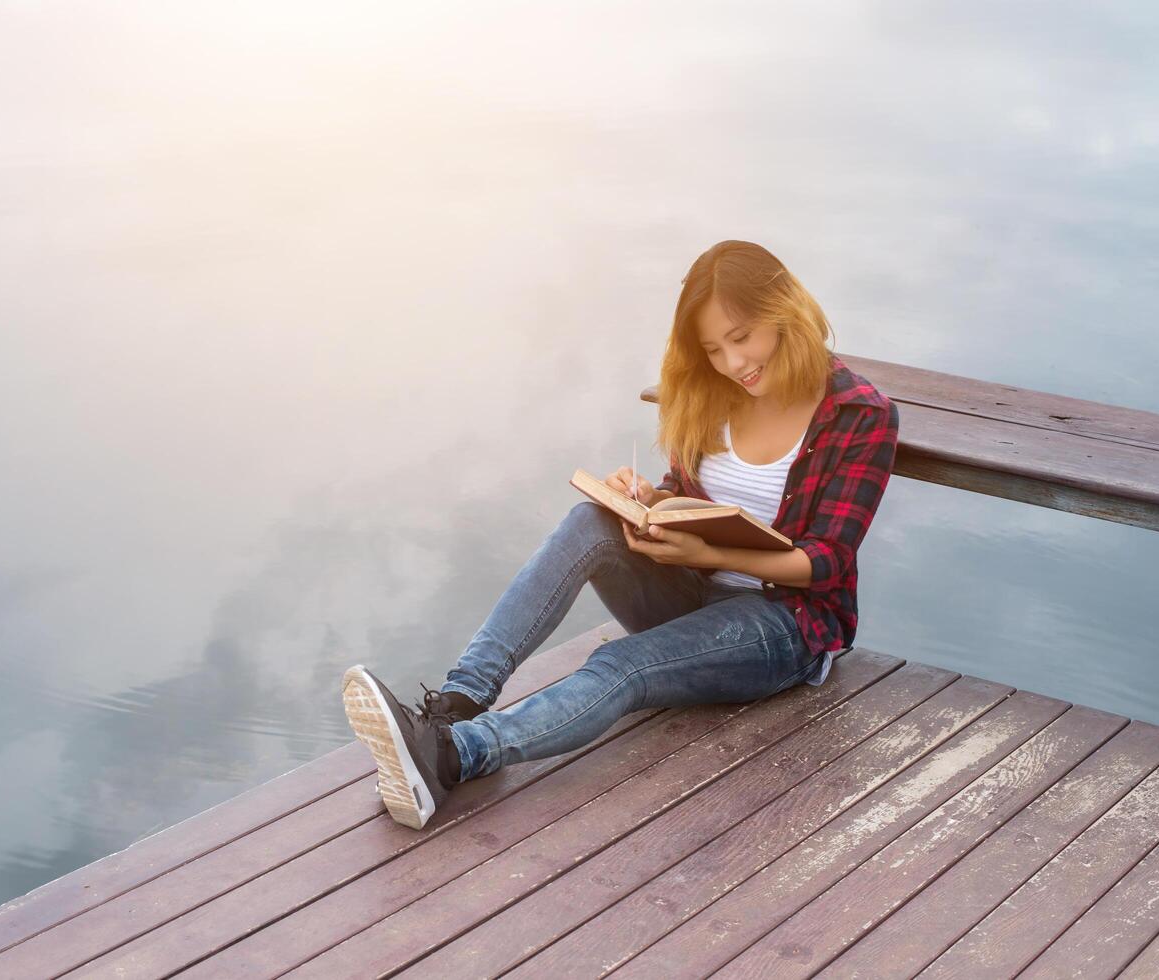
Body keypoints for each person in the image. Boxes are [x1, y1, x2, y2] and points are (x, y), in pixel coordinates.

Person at [342, 240, 901, 829]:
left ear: (785, 310)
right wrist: (649, 502)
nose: (734, 363)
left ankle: (456, 756)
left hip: (786, 625)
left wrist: (707, 551)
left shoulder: (859, 414)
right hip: (696, 586)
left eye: (742, 337)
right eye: (714, 349)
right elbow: (693, 499)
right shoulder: (713, 393)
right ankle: (456, 704)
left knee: (620, 665)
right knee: (591, 520)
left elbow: (827, 561)